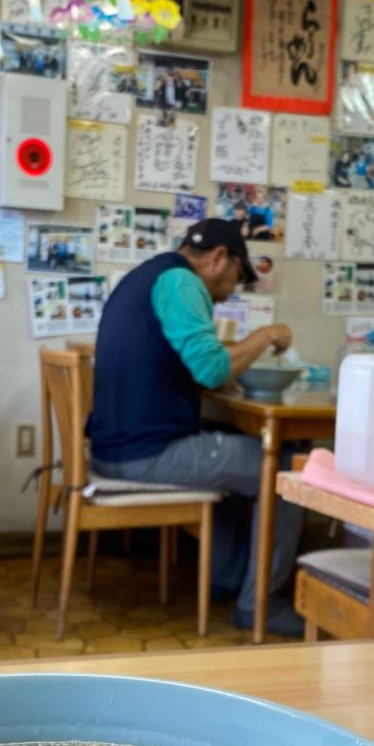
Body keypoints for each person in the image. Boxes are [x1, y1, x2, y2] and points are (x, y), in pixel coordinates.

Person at [87, 219, 306, 637]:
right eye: (235, 280)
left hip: (115, 446)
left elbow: (196, 363)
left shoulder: (148, 275)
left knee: (240, 455)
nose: (228, 293)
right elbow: (209, 370)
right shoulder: (182, 283)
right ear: (218, 258)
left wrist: (227, 363)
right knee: (281, 472)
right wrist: (265, 335)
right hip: (143, 454)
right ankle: (260, 604)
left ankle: (225, 580)